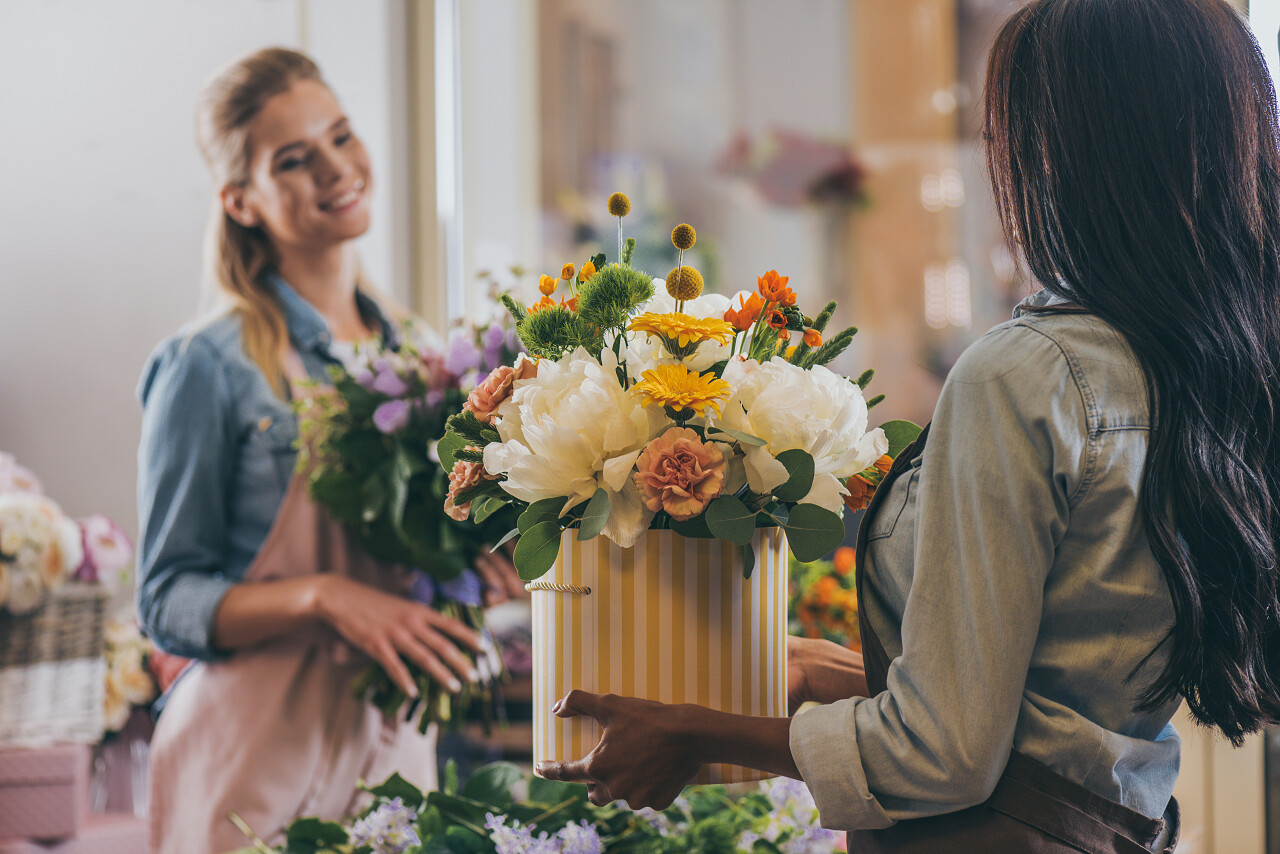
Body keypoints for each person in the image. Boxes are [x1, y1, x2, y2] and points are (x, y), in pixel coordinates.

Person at [538, 1, 1280, 850]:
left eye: (1005, 127)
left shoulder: (1024, 375)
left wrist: (694, 735)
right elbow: (1058, 697)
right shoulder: (1206, 362)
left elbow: (943, 757)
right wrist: (840, 672)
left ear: (1067, 150)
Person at [135, 48, 520, 854]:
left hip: (391, 756)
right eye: (295, 161)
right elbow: (165, 599)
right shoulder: (209, 364)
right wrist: (326, 597)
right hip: (251, 761)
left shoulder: (423, 358)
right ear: (241, 200)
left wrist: (465, 573)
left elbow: (408, 565)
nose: (337, 170)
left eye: (341, 137)